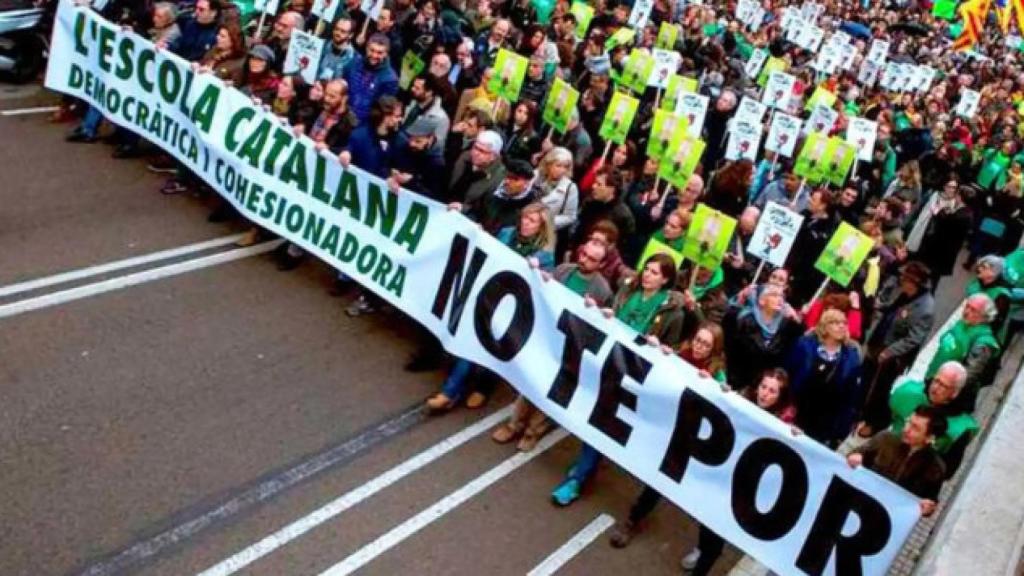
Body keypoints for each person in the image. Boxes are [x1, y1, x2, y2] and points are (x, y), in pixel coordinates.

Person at [550, 253, 686, 506]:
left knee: (602, 419)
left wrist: (661, 348)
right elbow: (610, 312)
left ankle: (578, 478)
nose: (647, 274)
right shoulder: (626, 290)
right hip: (608, 360)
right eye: (647, 269)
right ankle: (584, 468)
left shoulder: (672, 314)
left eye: (655, 272)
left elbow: (673, 350)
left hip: (633, 373)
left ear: (665, 280)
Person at [426, 202, 556, 411]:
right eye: (524, 217)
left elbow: (546, 286)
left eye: (532, 221)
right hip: (487, 296)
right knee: (471, 339)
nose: (525, 223)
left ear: (542, 227)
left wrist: (540, 273)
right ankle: (450, 392)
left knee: (493, 349)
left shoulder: (545, 256)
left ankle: (483, 388)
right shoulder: (506, 233)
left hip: (511, 309)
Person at [491, 240, 614, 451]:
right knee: (531, 381)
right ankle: (514, 424)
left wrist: (596, 312)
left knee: (552, 390)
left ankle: (533, 431)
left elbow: (603, 324)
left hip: (571, 347)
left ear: (601, 265)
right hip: (548, 338)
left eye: (591, 259)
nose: (583, 260)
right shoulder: (565, 270)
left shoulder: (602, 290)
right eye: (583, 254)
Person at [860, 261, 935, 436]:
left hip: (892, 357)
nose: (901, 281)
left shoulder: (925, 309)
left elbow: (913, 339)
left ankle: (874, 422)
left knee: (881, 389)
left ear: (914, 282)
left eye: (904, 278)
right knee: (867, 379)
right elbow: (890, 308)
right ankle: (860, 410)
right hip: (878, 344)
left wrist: (890, 351)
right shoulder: (906, 294)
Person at [848, 405, 948, 517]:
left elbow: (930, 502)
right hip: (858, 505)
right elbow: (854, 455)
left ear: (929, 438)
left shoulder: (935, 468)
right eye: (908, 422)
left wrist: (927, 509)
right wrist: (855, 457)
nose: (906, 429)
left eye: (915, 428)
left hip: (890, 518)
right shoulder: (885, 439)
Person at [786, 309, 863, 448]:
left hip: (824, 423)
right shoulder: (805, 345)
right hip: (795, 411)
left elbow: (850, 397)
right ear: (824, 326)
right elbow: (789, 373)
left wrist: (839, 430)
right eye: (835, 322)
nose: (841, 326)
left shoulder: (852, 356)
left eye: (844, 323)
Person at [923, 294, 1000, 410]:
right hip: (933, 380)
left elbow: (969, 375)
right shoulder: (963, 323)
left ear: (984, 317)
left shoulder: (983, 342)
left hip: (945, 395)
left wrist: (943, 392)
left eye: (973, 310)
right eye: (967, 306)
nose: (966, 311)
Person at [727, 284, 801, 391]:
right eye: (774, 295)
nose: (780, 299)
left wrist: (796, 321)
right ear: (762, 300)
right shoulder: (745, 319)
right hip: (733, 381)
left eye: (782, 296)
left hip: (760, 389)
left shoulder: (785, 327)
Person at [343, 34, 399, 124]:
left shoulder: (390, 79)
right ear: (366, 48)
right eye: (372, 50)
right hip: (342, 116)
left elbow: (382, 110)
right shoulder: (354, 62)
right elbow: (343, 85)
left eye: (379, 53)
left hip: (363, 125)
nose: (374, 55)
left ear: (386, 54)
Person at [448, 130, 507, 207]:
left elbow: (484, 209)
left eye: (482, 151)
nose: (476, 153)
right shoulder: (465, 157)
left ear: (494, 156)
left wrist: (463, 208)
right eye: (475, 147)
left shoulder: (499, 176)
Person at [403, 74, 451, 151]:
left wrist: (425, 145)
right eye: (413, 86)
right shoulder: (413, 101)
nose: (412, 89)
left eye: (417, 88)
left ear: (429, 92)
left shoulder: (442, 119)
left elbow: (438, 149)